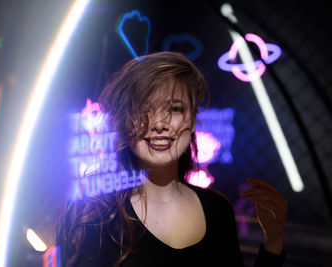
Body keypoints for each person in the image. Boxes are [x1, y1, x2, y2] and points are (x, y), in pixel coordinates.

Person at [56, 51, 288, 266]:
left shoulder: (217, 211)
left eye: (175, 109)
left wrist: (274, 241)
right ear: (126, 120)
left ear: (194, 119)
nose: (159, 124)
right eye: (144, 110)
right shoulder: (94, 216)